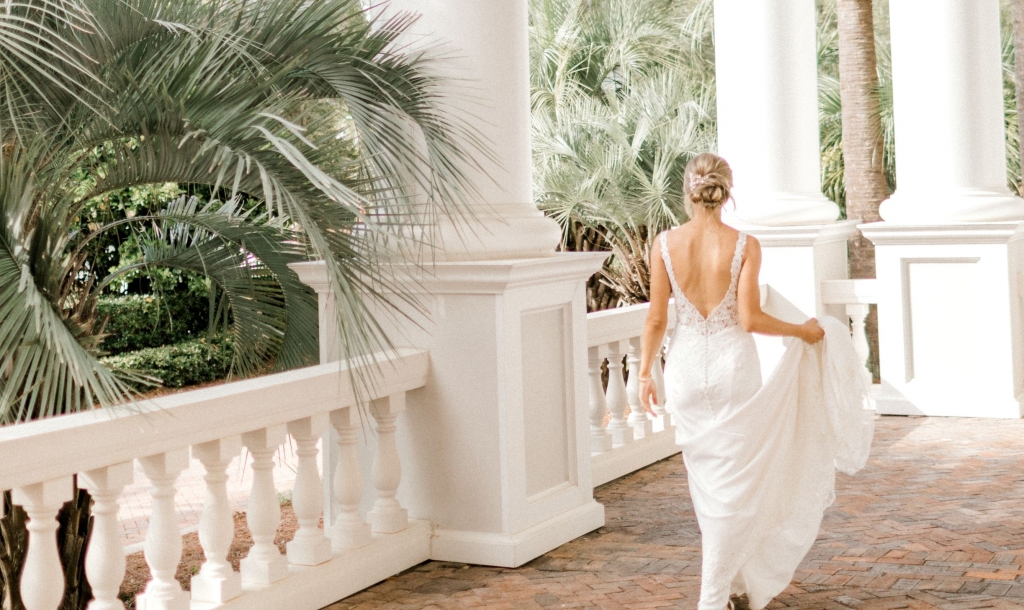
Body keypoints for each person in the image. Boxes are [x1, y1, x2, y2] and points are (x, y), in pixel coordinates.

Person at [637, 152, 873, 610]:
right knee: (737, 483)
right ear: (726, 192)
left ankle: (726, 586)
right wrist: (802, 330)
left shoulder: (664, 244)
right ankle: (716, 593)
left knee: (709, 483)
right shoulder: (744, 244)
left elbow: (655, 319)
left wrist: (645, 372)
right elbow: (749, 318)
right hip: (732, 368)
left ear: (687, 191)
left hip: (685, 370)